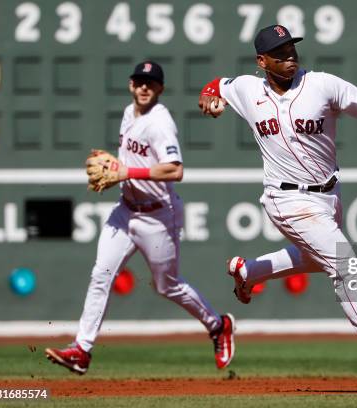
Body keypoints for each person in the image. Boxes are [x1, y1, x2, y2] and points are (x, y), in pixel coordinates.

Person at [198, 25, 357, 385]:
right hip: (284, 196)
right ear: (262, 61)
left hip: (329, 195)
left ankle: (250, 271)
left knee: (316, 260)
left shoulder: (323, 85)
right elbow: (216, 86)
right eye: (280, 53)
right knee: (343, 264)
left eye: (292, 49)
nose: (290, 57)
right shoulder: (247, 89)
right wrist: (209, 98)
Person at [45, 61, 235, 375]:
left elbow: (176, 169)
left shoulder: (160, 123)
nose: (144, 87)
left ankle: (218, 326)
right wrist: (117, 170)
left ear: (160, 89)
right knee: (100, 275)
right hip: (125, 211)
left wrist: (126, 172)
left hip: (158, 217)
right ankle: (82, 350)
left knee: (168, 286)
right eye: (139, 81)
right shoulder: (128, 113)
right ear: (131, 85)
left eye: (151, 83)